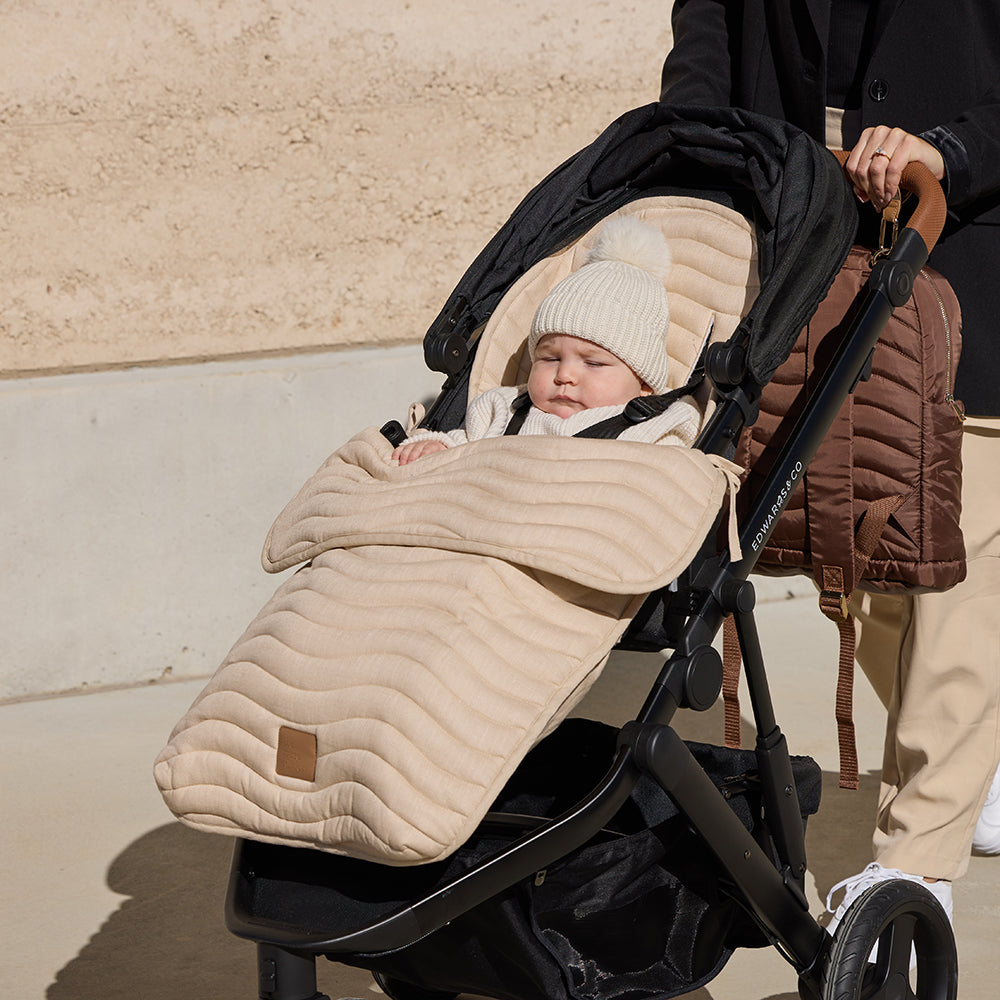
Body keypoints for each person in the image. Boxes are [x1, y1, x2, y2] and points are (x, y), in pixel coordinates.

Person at [660, 0, 1000, 938]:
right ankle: (979, 748)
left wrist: (950, 151)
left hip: (966, 265)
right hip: (798, 260)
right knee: (867, 576)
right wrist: (690, 156)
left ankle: (914, 869)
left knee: (947, 574)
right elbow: (708, 43)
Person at [393, 215, 702, 464]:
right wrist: (436, 444)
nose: (564, 375)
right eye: (550, 358)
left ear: (645, 383)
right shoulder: (505, 409)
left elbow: (671, 480)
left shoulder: (656, 427)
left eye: (593, 363)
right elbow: (465, 443)